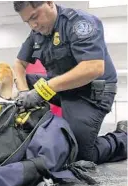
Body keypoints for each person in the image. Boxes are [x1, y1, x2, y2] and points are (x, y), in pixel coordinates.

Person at [13, 1, 127, 164]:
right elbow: (18, 64)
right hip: (63, 89)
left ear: (50, 3)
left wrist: (43, 91)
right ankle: (35, 124)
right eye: (28, 22)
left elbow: (94, 67)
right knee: (24, 81)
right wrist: (24, 92)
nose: (33, 25)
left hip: (91, 93)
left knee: (78, 154)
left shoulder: (79, 22)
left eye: (34, 16)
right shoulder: (36, 33)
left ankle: (123, 136)